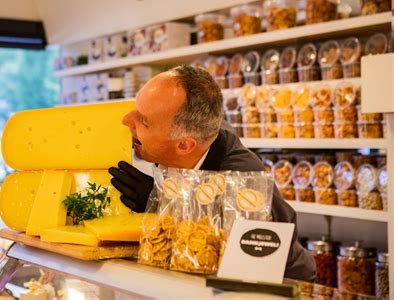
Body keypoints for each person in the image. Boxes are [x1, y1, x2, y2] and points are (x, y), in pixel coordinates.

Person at [108, 65, 316, 282]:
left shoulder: (242, 176)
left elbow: (263, 249)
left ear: (184, 145)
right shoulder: (189, 133)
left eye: (144, 121)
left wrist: (162, 202)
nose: (125, 120)